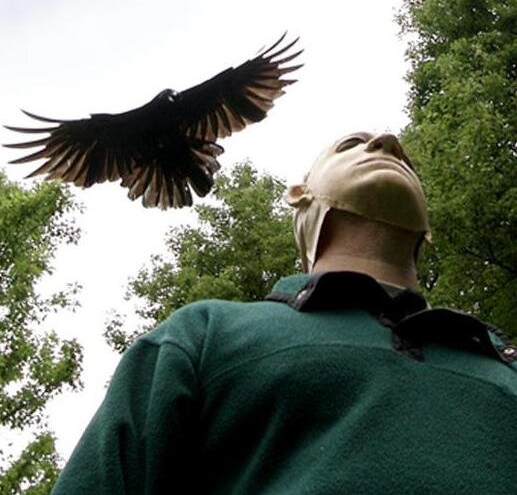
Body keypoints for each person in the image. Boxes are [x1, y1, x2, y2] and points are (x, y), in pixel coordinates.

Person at [52, 132, 517, 494]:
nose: (389, 144)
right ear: (300, 196)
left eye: (404, 160)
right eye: (352, 145)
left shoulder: (505, 363)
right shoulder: (204, 337)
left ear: (427, 229)